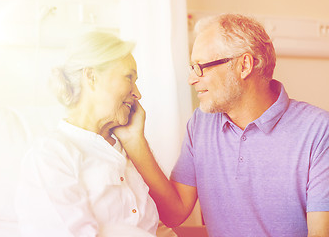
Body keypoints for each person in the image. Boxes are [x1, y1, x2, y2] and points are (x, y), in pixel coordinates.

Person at [113, 14, 329, 236]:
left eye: (201, 67)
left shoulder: (319, 131)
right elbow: (174, 213)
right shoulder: (201, 123)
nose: (192, 79)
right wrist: (134, 140)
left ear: (244, 65)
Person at [15, 32, 159, 237]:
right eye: (129, 77)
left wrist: (136, 140)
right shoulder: (51, 155)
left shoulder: (127, 149)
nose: (137, 94)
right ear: (91, 76)